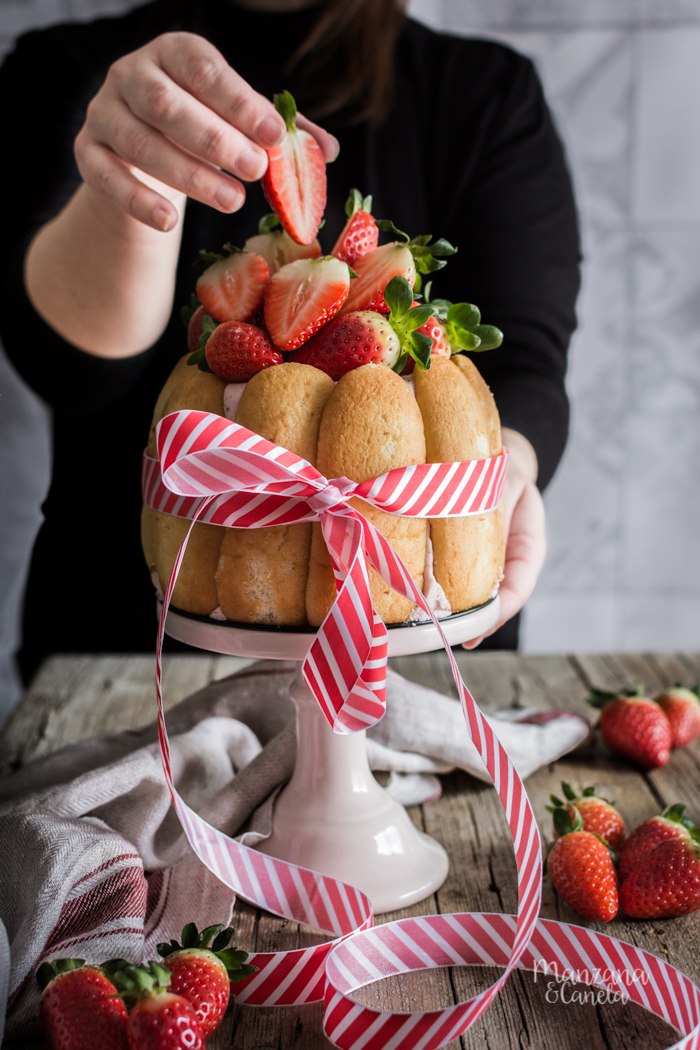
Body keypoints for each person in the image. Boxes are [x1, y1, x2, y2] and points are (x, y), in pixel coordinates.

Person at [0, 0, 580, 683]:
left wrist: (492, 481)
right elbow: (67, 369)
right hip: (125, 663)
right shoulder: (65, 72)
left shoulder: (484, 90)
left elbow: (524, 365)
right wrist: (128, 191)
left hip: (419, 661)